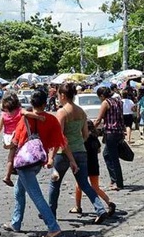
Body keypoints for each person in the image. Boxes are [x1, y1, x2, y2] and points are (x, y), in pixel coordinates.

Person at [3, 89, 77, 237]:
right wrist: (51, 158)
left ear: (31, 103)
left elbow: (16, 141)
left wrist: (7, 147)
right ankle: (15, 223)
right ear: (45, 103)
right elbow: (59, 141)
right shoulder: (51, 119)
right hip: (38, 161)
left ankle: (53, 227)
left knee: (36, 196)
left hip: (25, 162)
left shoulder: (25, 119)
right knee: (18, 191)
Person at [48, 83, 115, 225]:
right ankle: (100, 209)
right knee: (84, 183)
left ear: (62, 95)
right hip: (81, 150)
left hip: (63, 153)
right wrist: (77, 143)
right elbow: (85, 134)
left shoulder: (62, 112)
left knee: (55, 184)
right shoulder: (81, 112)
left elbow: (59, 136)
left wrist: (51, 156)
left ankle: (50, 213)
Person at [72, 120, 114, 216]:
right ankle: (109, 202)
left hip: (84, 165)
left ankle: (78, 207)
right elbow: (99, 150)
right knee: (96, 187)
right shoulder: (95, 138)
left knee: (79, 186)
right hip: (94, 165)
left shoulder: (82, 139)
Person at [93, 86, 125, 191]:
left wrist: (90, 128)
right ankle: (114, 179)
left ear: (102, 95)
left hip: (111, 133)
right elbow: (121, 116)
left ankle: (118, 182)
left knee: (113, 158)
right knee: (106, 154)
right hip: (119, 131)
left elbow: (99, 119)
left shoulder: (106, 103)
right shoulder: (118, 101)